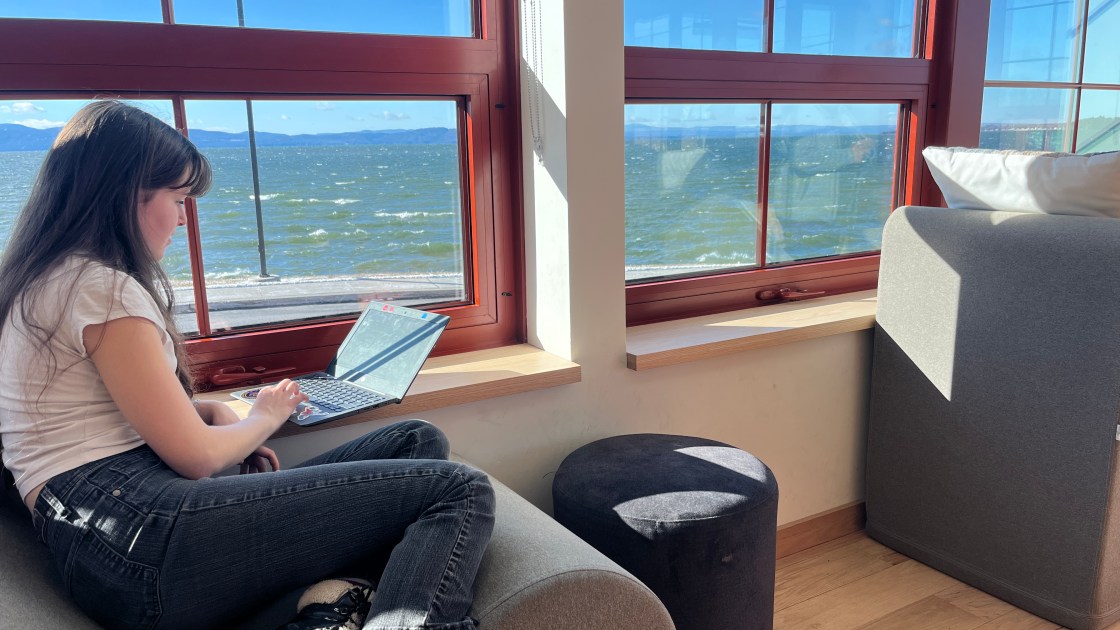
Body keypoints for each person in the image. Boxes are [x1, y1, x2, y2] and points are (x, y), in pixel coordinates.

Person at [0, 100, 495, 630]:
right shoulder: (100, 288)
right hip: (132, 537)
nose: (186, 215)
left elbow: (99, 410)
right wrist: (265, 415)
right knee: (460, 489)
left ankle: (333, 610)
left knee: (416, 440)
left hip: (107, 534)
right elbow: (196, 459)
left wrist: (209, 407)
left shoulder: (49, 279)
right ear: (125, 194)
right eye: (179, 197)